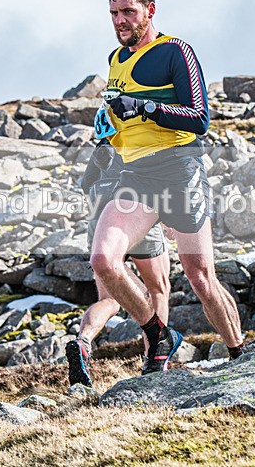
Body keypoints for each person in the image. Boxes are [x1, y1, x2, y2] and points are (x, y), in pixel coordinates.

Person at [90, 0, 244, 375]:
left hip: (179, 171)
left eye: (128, 11)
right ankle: (159, 334)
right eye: (113, 13)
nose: (120, 20)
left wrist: (144, 107)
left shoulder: (176, 51)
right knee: (104, 260)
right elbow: (121, 117)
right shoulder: (115, 60)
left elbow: (200, 118)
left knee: (201, 278)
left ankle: (238, 353)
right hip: (135, 175)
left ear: (149, 10)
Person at [66, 140, 171, 387]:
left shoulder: (103, 145)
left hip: (101, 218)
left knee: (109, 300)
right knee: (158, 290)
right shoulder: (140, 134)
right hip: (135, 210)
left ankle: (83, 340)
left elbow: (85, 185)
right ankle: (155, 362)